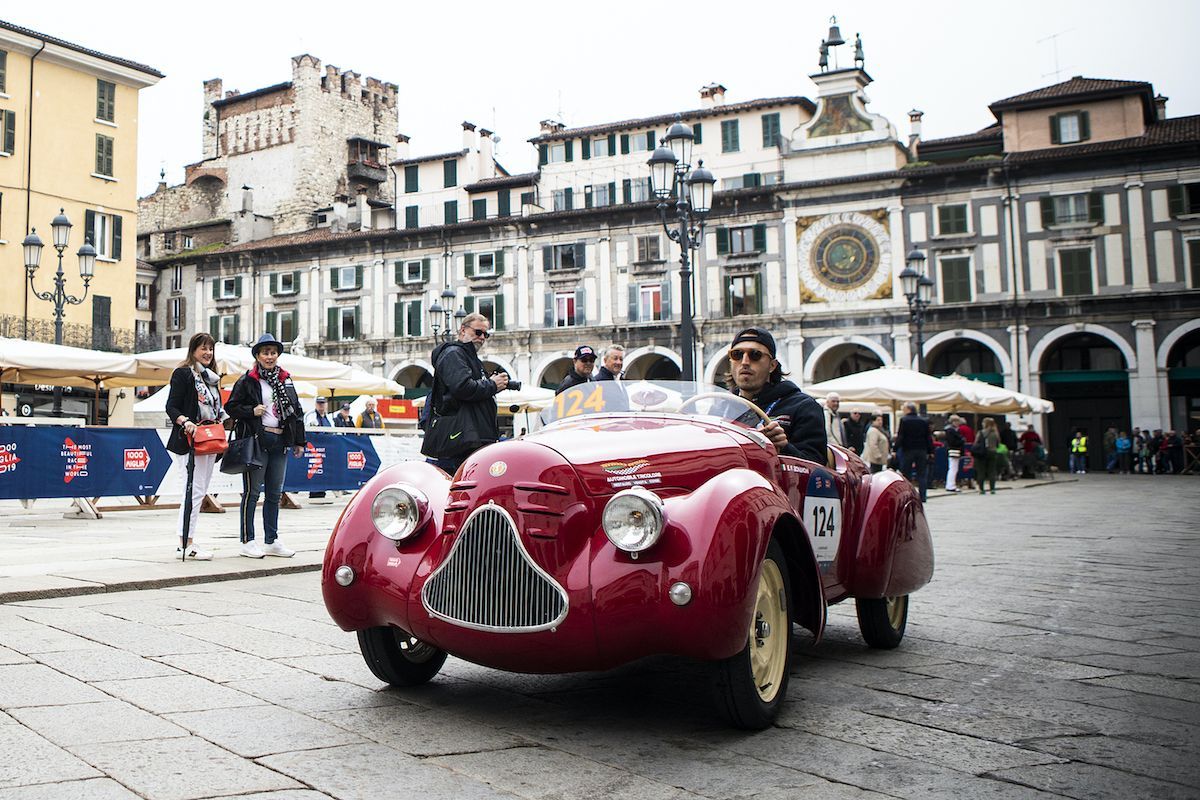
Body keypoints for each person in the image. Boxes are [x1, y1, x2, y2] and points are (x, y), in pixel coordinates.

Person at [227, 333, 306, 559]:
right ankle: (248, 540)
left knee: (274, 493)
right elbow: (231, 406)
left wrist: (299, 441)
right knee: (252, 493)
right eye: (265, 353)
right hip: (257, 440)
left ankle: (271, 540)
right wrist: (251, 411)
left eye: (273, 353)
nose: (269, 357)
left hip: (280, 440)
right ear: (258, 356)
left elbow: (296, 411)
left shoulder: (285, 379)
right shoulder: (248, 380)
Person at [420, 312, 507, 475]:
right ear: (463, 331)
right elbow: (462, 387)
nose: (482, 337)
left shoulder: (470, 358)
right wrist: (492, 385)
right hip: (461, 439)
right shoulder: (453, 353)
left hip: (473, 438)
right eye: (478, 332)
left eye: (486, 334)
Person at [164, 332, 226, 561]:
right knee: (193, 491)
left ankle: (187, 540)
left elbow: (215, 409)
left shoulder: (212, 378)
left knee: (199, 492)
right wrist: (186, 422)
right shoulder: (183, 374)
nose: (208, 352)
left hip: (210, 440)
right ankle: (185, 542)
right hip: (190, 440)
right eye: (203, 348)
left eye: (210, 348)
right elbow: (171, 407)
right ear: (193, 350)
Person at [724, 327, 825, 462]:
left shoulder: (803, 406)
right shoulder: (719, 407)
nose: (745, 362)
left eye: (755, 354)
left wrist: (783, 447)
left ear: (772, 365)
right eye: (737, 354)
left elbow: (818, 468)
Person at [895, 402, 933, 503]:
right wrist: (931, 451)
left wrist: (895, 448)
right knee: (922, 474)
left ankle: (908, 494)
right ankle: (923, 496)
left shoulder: (904, 420)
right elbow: (928, 437)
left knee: (906, 473)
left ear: (908, 410)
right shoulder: (923, 421)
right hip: (921, 450)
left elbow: (901, 436)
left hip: (908, 450)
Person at [304, 397, 333, 504]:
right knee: (315, 471)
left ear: (326, 405)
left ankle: (322, 494)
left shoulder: (329, 418)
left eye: (323, 403)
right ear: (316, 404)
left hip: (327, 449)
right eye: (319, 403)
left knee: (325, 472)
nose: (321, 405)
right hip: (314, 450)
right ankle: (314, 495)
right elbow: (308, 430)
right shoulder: (310, 415)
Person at [976, 417, 1001, 494]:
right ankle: (992, 489)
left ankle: (981, 489)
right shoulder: (995, 433)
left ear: (986, 424)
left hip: (982, 453)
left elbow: (976, 443)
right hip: (993, 452)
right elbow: (998, 444)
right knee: (992, 471)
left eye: (983, 423)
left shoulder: (981, 432)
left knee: (981, 471)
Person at [943, 414, 966, 492]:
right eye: (956, 421)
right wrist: (961, 440)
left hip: (954, 450)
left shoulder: (952, 430)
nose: (957, 423)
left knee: (953, 468)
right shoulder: (951, 430)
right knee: (953, 468)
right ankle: (951, 485)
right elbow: (952, 441)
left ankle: (951, 484)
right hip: (954, 450)